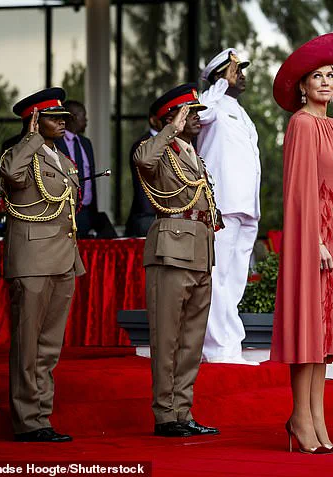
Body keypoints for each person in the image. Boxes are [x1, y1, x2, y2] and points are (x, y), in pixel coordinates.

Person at [271, 33, 333, 454]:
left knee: (324, 336)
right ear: (302, 86)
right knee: (309, 330)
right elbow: (298, 189)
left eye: (331, 75)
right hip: (312, 235)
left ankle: (315, 422)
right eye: (317, 76)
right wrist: (313, 241)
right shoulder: (302, 123)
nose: (326, 81)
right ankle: (301, 420)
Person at [134, 84, 220, 438]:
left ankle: (183, 412)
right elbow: (143, 161)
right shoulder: (158, 148)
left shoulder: (192, 155)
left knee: (191, 341)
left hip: (199, 250)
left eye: (197, 112)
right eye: (191, 112)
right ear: (173, 116)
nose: (197, 119)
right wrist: (170, 127)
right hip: (171, 250)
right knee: (167, 338)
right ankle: (165, 414)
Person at [1, 87, 85, 443]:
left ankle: (41, 416)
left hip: (63, 259)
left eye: (64, 118)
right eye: (54, 118)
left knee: (49, 346)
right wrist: (32, 137)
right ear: (34, 120)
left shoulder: (62, 158)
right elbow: (11, 174)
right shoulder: (20, 152)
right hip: (32, 260)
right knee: (28, 345)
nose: (62, 123)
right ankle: (27, 420)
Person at [197, 48, 261, 365]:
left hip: (245, 205)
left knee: (234, 279)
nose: (243, 77)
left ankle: (229, 346)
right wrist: (219, 83)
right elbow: (200, 113)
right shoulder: (212, 104)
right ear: (223, 74)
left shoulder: (239, 111)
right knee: (217, 275)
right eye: (238, 70)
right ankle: (217, 348)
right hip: (221, 204)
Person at [55, 100, 116, 239]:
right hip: (65, 212)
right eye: (83, 115)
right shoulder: (56, 143)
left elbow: (90, 178)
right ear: (72, 117)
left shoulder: (85, 143)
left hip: (87, 212)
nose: (86, 119)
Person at [125, 101, 166, 237]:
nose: (168, 122)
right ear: (153, 120)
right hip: (149, 215)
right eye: (164, 118)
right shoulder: (143, 144)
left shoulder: (171, 141)